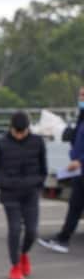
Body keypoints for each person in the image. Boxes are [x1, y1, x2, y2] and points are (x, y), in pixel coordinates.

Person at [0, 111, 47, 279]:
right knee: (14, 229)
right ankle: (15, 265)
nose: (19, 136)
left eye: (23, 132)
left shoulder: (37, 142)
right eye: (16, 132)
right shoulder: (2, 143)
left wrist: (39, 184)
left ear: (28, 129)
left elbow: (44, 167)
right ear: (11, 128)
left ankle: (23, 253)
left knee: (32, 231)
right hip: (9, 192)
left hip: (30, 192)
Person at [38, 84, 84, 254]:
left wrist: (80, 160)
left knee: (76, 206)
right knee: (75, 206)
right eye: (80, 95)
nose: (81, 98)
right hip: (79, 171)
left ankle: (63, 238)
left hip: (80, 167)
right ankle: (62, 239)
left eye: (83, 95)